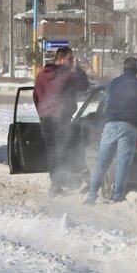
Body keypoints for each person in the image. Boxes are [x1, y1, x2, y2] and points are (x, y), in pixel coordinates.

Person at [85, 56, 137, 204]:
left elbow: (107, 103)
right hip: (128, 126)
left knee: (102, 161)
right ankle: (118, 194)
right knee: (123, 161)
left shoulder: (113, 83)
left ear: (124, 68)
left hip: (110, 125)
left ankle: (91, 195)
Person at [32, 45, 90, 195]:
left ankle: (56, 185)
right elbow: (84, 86)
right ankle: (60, 184)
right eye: (70, 59)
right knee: (63, 151)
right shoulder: (67, 75)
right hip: (61, 118)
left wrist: (42, 113)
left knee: (52, 152)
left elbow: (35, 95)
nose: (72, 61)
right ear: (61, 59)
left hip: (46, 119)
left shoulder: (41, 74)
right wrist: (79, 69)